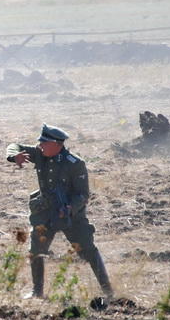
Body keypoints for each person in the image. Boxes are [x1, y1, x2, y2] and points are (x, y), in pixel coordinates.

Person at [7, 123, 113, 299]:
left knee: (88, 250)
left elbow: (83, 194)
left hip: (70, 215)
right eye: (40, 142)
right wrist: (14, 156)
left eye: (44, 143)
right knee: (36, 250)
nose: (40, 145)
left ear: (57, 144)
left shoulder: (75, 163)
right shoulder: (39, 154)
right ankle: (37, 292)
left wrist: (71, 208)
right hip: (45, 212)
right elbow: (13, 146)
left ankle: (108, 290)